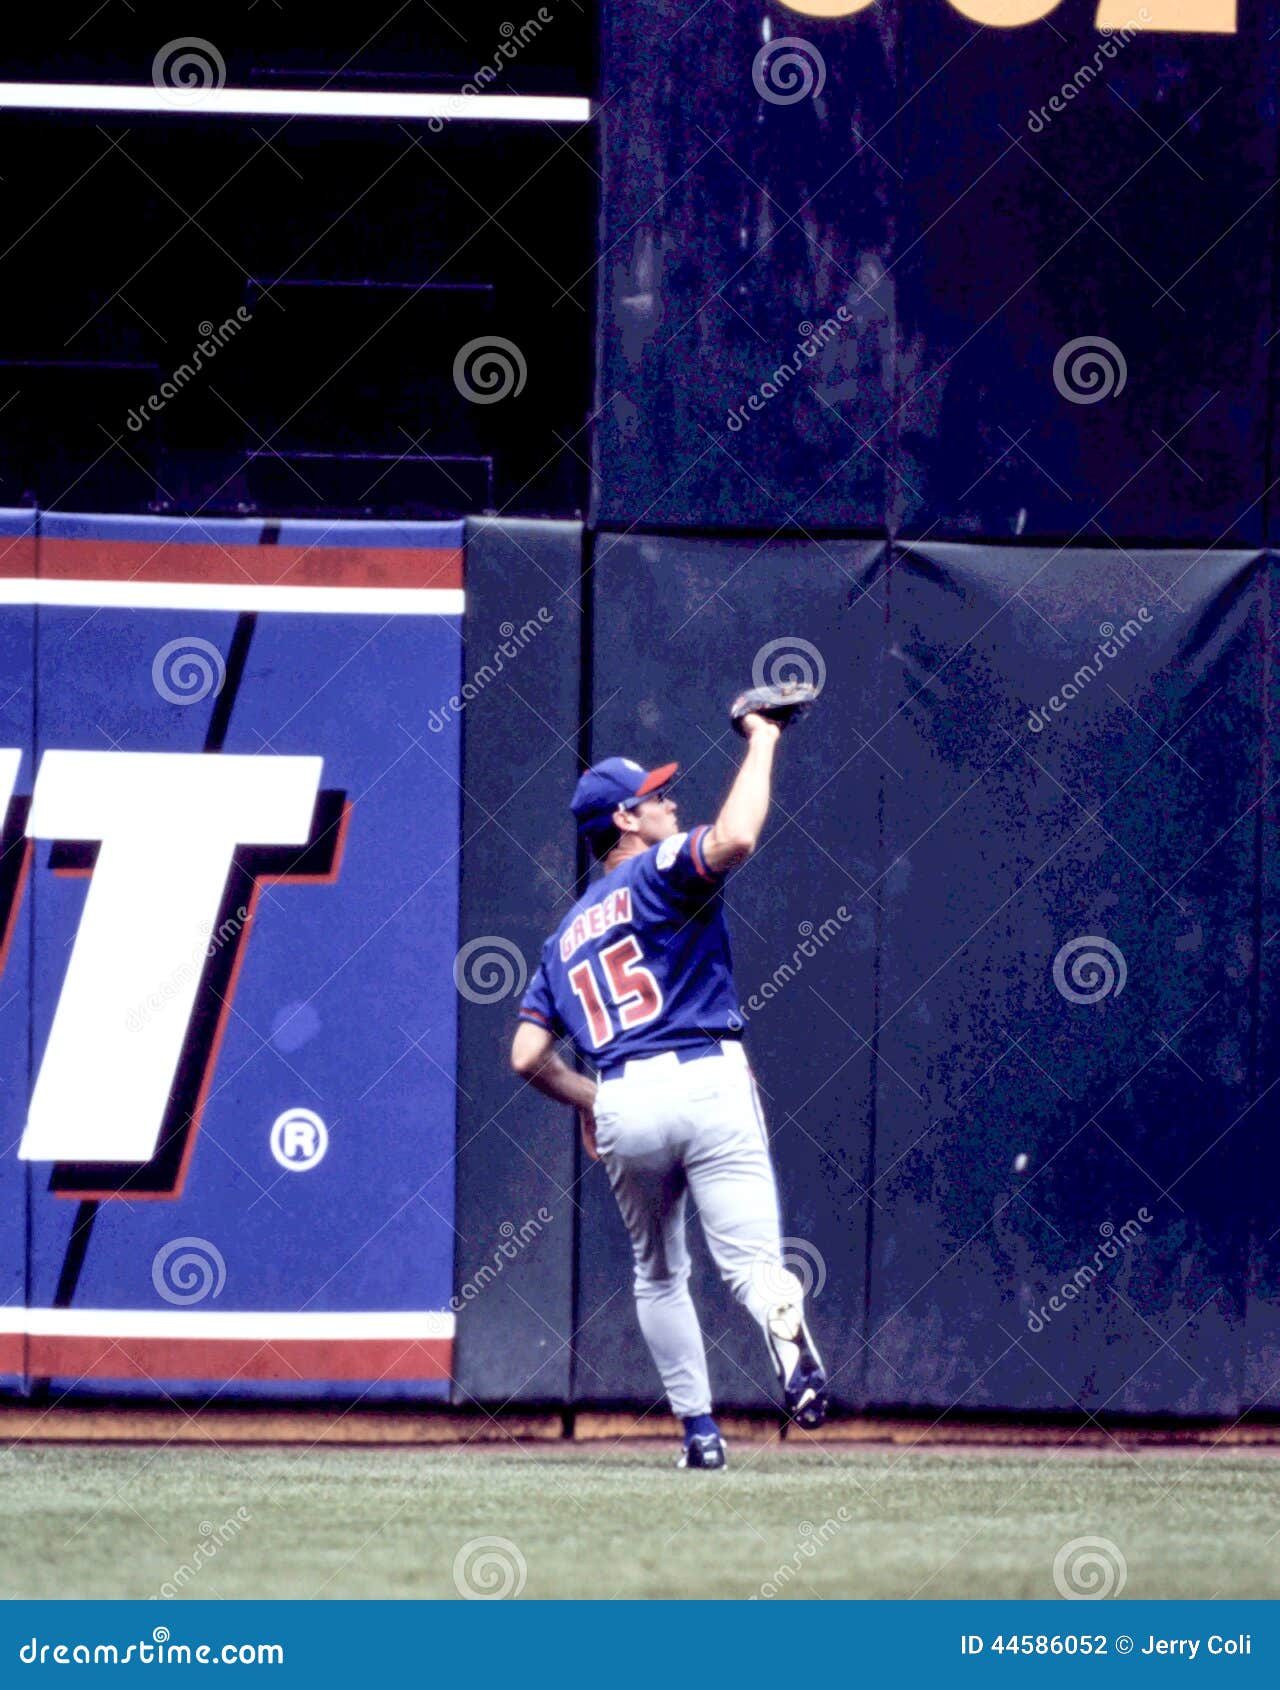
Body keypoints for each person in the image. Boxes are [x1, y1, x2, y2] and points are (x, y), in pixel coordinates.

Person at [509, 709, 826, 1470]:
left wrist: (593, 1101)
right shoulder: (654, 870)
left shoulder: (562, 938)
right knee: (754, 1265)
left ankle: (701, 1438)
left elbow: (525, 1056)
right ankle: (778, 1310)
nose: (670, 804)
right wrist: (764, 739)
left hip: (624, 1095)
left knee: (658, 1273)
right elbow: (738, 836)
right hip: (711, 1075)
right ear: (625, 819)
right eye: (656, 797)